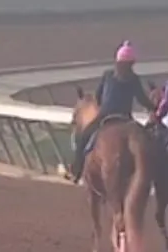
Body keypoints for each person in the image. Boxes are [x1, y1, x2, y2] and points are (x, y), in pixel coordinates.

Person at [66, 41, 156, 183]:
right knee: (146, 140)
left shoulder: (107, 75)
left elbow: (98, 97)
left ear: (117, 60)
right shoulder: (134, 78)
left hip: (105, 116)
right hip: (126, 118)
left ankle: (76, 171)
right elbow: (142, 99)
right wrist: (154, 108)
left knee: (84, 137)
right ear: (132, 63)